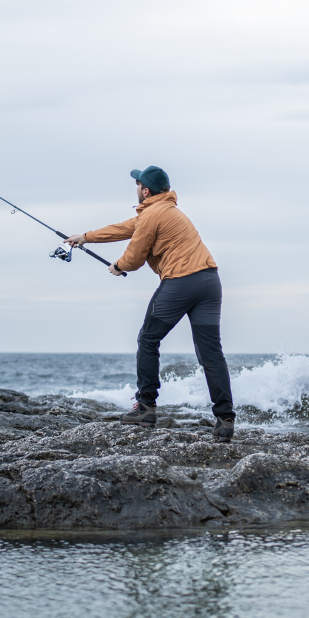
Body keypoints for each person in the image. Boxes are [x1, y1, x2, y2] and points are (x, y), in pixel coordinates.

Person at [66, 166, 236, 443]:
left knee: (148, 340)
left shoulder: (152, 215)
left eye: (137, 184)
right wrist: (84, 237)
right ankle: (225, 419)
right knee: (211, 353)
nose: (136, 187)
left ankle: (145, 407)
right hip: (209, 281)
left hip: (182, 282)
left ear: (145, 191)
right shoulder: (166, 211)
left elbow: (133, 257)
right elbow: (124, 228)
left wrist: (119, 266)